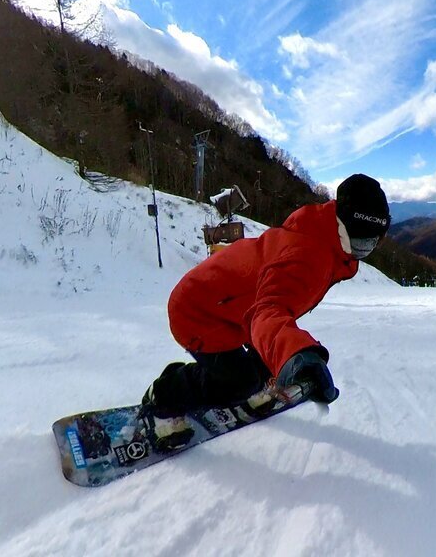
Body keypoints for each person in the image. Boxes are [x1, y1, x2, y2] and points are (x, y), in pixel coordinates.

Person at [140, 173, 391, 445]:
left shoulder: (325, 236)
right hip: (199, 311)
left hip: (233, 306)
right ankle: (163, 398)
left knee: (267, 358)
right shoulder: (308, 256)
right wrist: (297, 355)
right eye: (362, 243)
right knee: (237, 382)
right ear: (344, 224)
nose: (364, 251)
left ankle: (234, 382)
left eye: (372, 244)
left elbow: (271, 309)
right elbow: (268, 311)